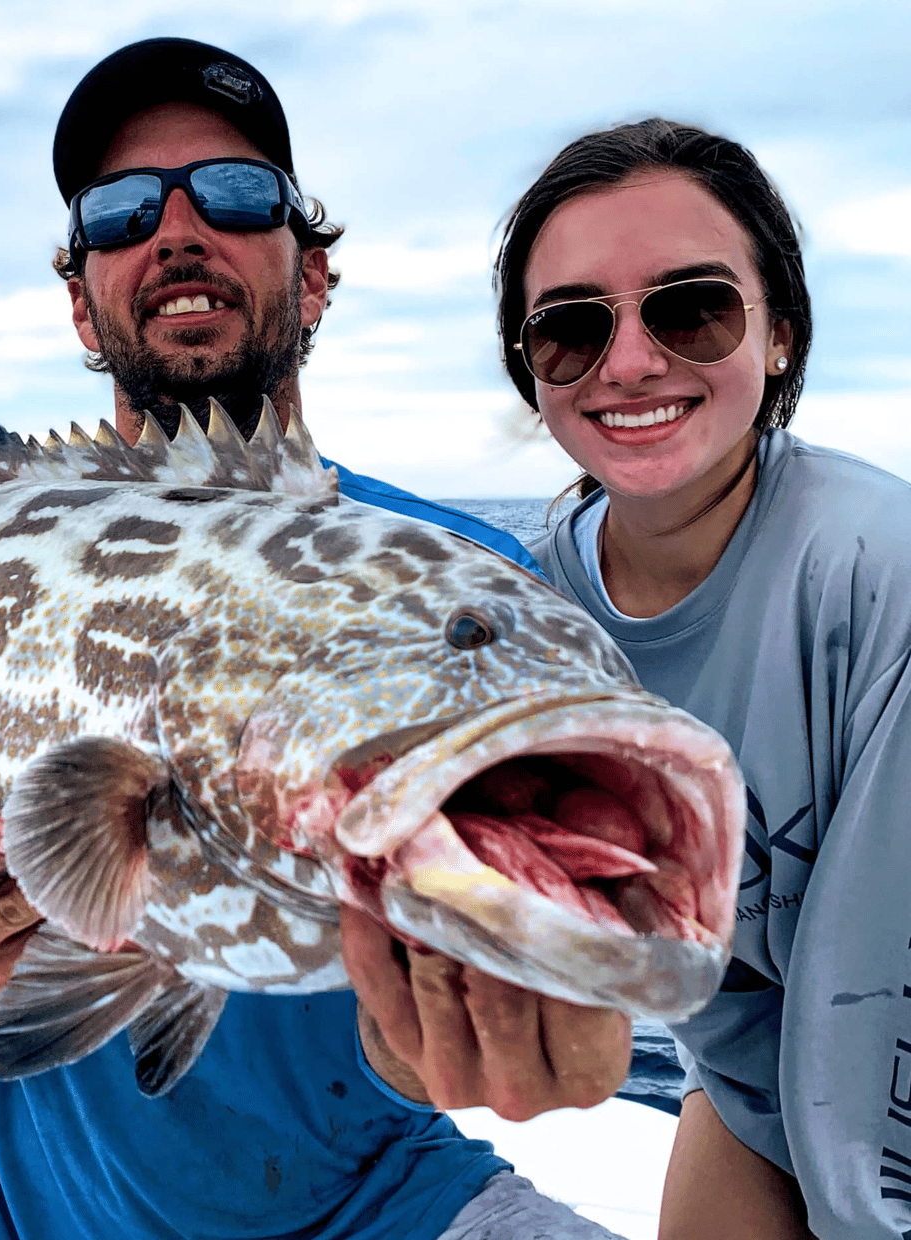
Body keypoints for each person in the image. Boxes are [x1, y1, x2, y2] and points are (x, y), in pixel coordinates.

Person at [0, 38, 632, 1240]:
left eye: (236, 193)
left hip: (384, 1200)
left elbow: (464, 1023)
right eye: (118, 211)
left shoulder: (474, 595)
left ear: (313, 276)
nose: (175, 229)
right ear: (79, 298)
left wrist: (469, 1016)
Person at [498, 117, 911, 1240]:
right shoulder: (527, 619)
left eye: (691, 308)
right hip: (754, 1085)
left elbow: (870, 997)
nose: (630, 361)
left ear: (778, 333)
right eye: (571, 329)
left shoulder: (880, 574)